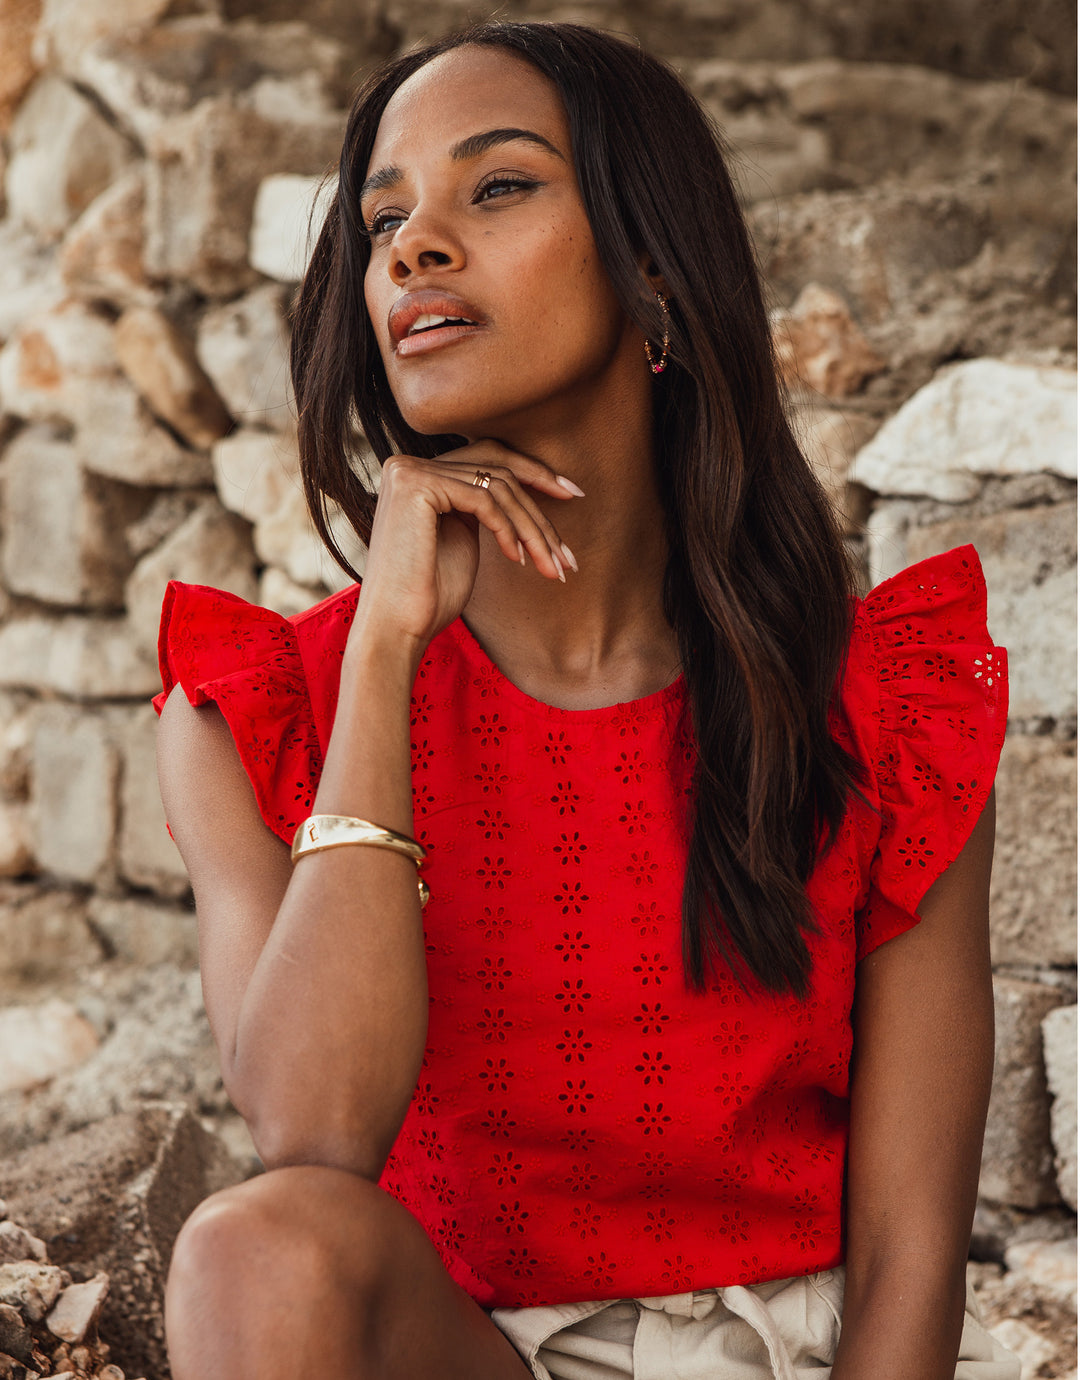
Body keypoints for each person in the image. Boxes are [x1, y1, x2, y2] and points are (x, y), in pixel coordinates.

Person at [154, 21, 1021, 1380]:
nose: (413, 246)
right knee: (249, 1252)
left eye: (496, 187)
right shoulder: (262, 713)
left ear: (654, 270)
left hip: (799, 1360)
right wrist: (384, 659)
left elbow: (915, 1251)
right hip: (464, 1356)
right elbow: (311, 1142)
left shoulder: (887, 712)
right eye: (383, 218)